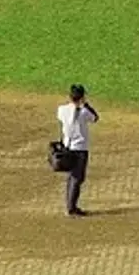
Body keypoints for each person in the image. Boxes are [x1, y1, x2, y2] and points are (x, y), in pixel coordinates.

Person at [56, 85, 98, 216]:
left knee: (73, 177)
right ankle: (71, 208)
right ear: (82, 97)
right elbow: (95, 117)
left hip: (67, 147)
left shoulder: (62, 109)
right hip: (80, 149)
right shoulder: (84, 112)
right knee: (77, 178)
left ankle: (70, 204)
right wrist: (86, 104)